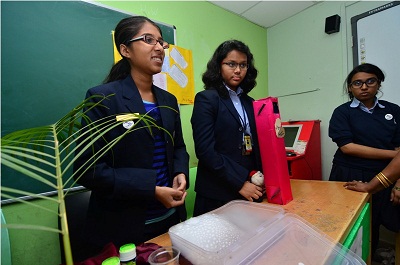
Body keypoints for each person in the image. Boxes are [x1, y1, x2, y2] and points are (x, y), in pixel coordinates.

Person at [73, 16, 189, 256]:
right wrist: (152, 189)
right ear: (125, 50)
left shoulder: (168, 100)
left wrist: (180, 172)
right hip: (124, 227)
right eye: (148, 40)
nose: (159, 47)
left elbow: (178, 147)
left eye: (161, 41)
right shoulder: (103, 98)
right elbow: (88, 169)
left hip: (169, 218)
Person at [328, 63, 400, 257]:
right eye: (357, 83)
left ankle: (366, 257)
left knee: (372, 223)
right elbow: (347, 147)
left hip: (384, 174)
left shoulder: (394, 111)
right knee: (344, 220)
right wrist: (394, 155)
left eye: (370, 81)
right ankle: (339, 259)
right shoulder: (342, 112)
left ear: (379, 83)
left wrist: (398, 181)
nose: (364, 87)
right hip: (348, 172)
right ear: (350, 88)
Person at [191, 40, 263, 216]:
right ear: (218, 66)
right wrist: (240, 183)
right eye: (231, 64)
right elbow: (205, 151)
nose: (238, 70)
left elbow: (257, 144)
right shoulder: (206, 99)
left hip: (250, 186)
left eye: (243, 65)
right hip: (217, 192)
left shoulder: (250, 102)